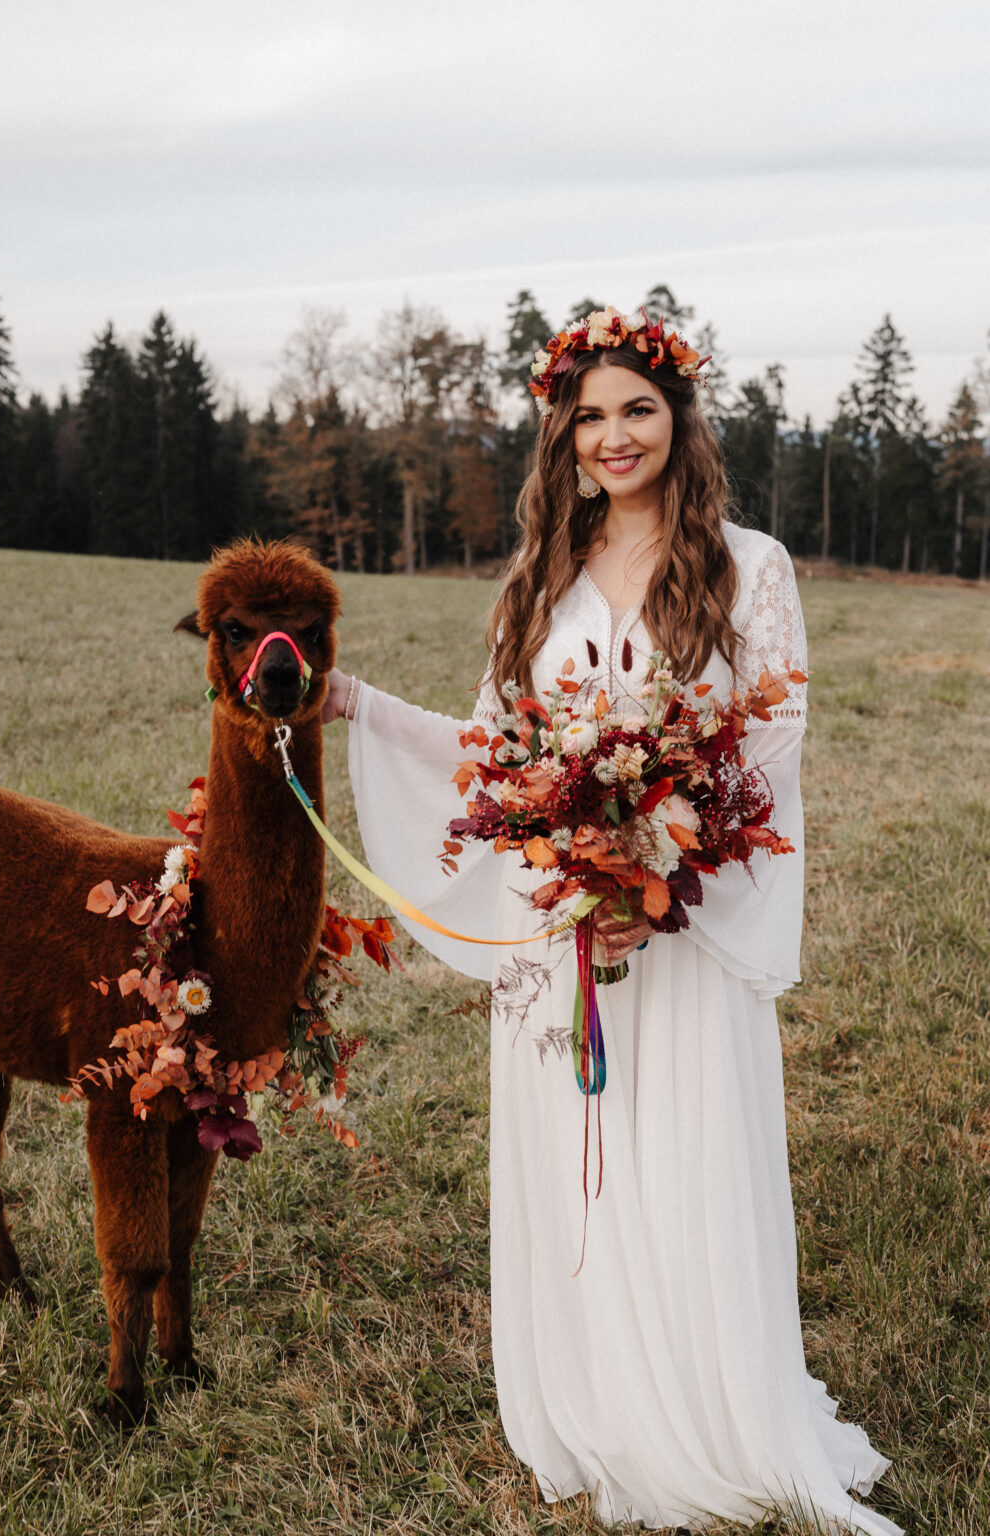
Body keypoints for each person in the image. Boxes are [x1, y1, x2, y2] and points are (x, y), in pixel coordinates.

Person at [323, 308, 900, 1534]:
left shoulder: (751, 566)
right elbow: (497, 755)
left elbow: (767, 744)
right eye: (588, 415)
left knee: (680, 1151)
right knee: (582, 1166)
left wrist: (645, 871)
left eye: (635, 407)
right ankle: (594, 1395)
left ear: (678, 418)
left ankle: (706, 1406)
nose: (613, 434)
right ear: (562, 435)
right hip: (560, 932)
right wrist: (358, 704)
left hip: (677, 928)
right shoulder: (538, 581)